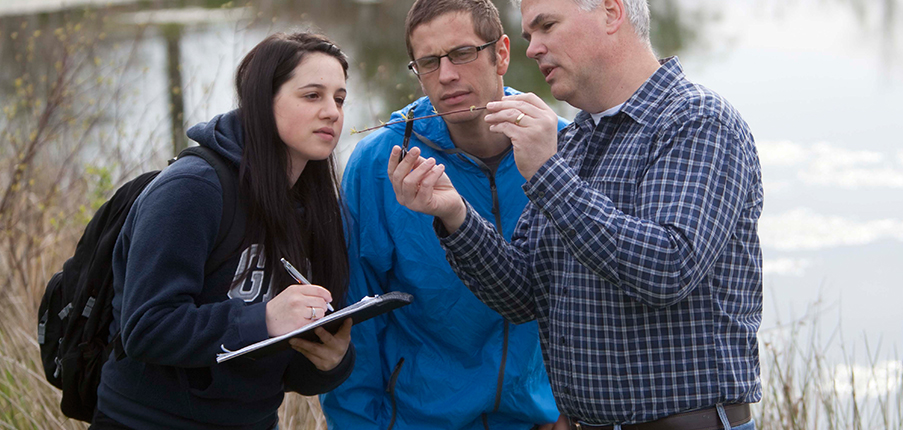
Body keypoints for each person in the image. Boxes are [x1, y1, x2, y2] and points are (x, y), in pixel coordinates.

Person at [388, 0, 765, 428]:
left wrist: (548, 175)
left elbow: (668, 268)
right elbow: (523, 294)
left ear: (610, 12)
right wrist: (454, 214)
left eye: (547, 26)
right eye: (530, 36)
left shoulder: (698, 121)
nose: (533, 49)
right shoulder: (575, 139)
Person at [319, 1, 564, 429]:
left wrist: (568, 410)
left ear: (501, 53)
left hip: (535, 420)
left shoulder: (558, 145)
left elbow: (589, 302)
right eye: (429, 62)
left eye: (463, 53)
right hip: (418, 420)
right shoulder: (385, 162)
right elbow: (352, 317)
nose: (447, 75)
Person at [94, 32, 355, 429]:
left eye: (339, 98)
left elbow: (287, 372)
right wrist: (264, 318)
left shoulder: (312, 206)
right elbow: (146, 328)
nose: (332, 112)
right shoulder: (193, 189)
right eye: (312, 95)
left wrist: (331, 360)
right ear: (262, 102)